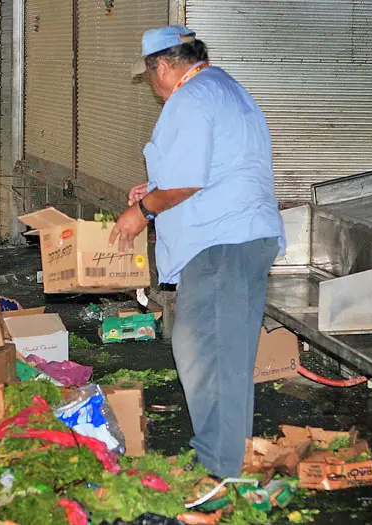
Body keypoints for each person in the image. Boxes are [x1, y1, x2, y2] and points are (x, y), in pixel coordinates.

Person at [108, 25, 286, 479]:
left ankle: (218, 470)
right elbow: (214, 164)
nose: (154, 86)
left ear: (163, 66)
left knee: (210, 355)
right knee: (216, 352)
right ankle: (222, 456)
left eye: (151, 76)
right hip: (238, 238)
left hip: (221, 244)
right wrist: (154, 188)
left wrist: (142, 212)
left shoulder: (190, 98)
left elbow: (190, 181)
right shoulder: (223, 87)